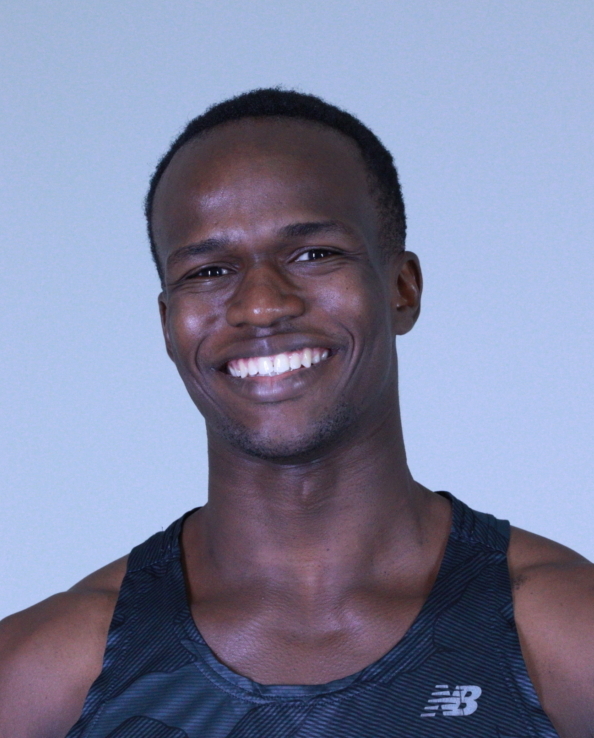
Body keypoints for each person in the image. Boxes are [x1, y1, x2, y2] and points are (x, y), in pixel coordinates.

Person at [0, 88, 592, 738]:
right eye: (209, 270)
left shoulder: (565, 634)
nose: (261, 305)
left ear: (401, 288)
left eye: (314, 255)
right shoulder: (41, 675)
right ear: (168, 324)